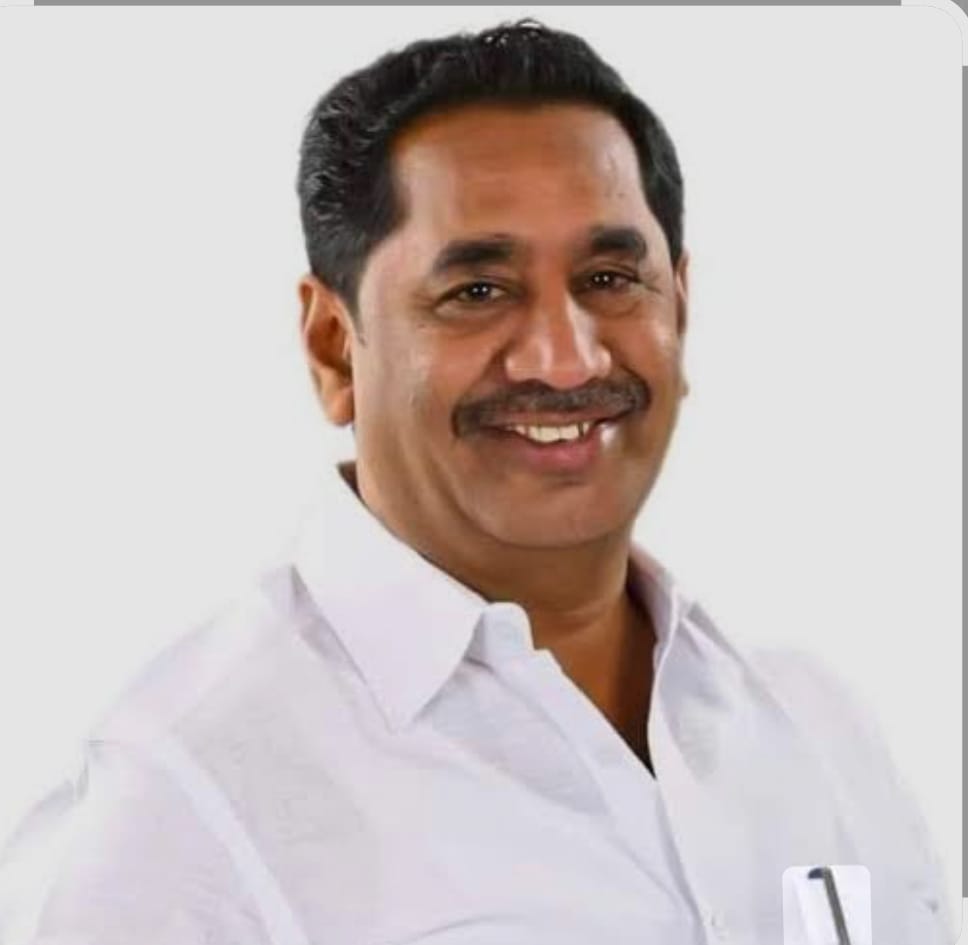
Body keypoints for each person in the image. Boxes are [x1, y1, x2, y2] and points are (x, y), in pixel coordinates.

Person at [0, 19, 953, 945]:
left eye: (610, 278)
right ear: (333, 346)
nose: (568, 358)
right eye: (478, 292)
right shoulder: (180, 810)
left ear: (682, 307)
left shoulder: (813, 731)